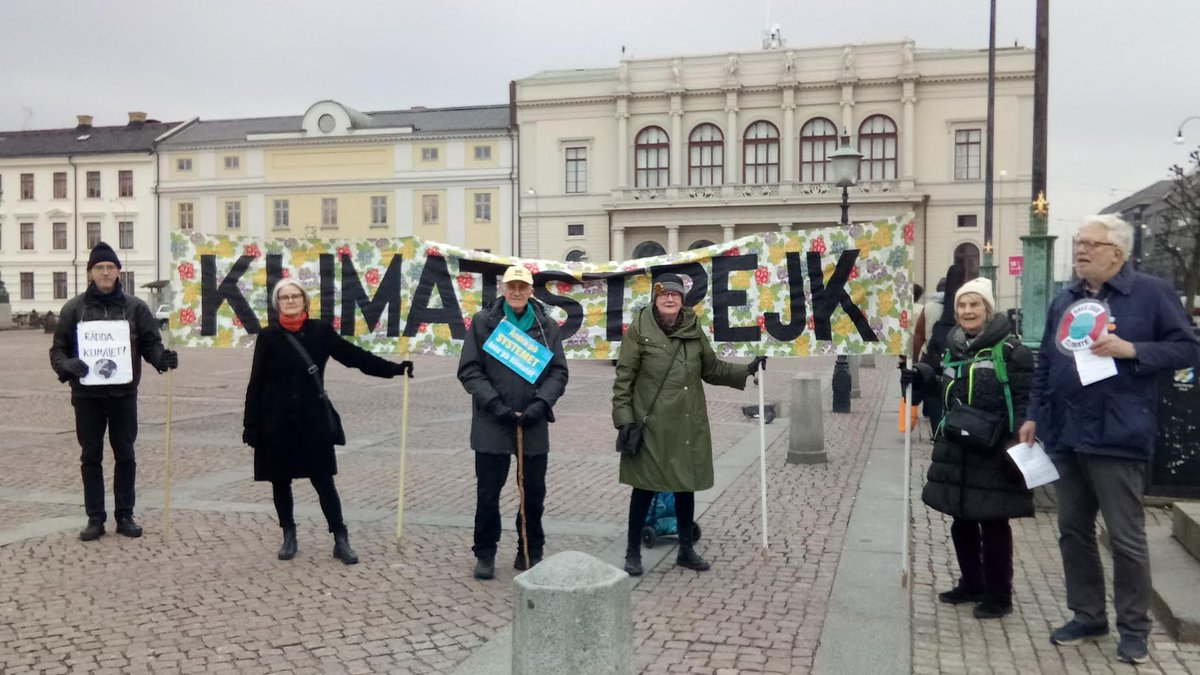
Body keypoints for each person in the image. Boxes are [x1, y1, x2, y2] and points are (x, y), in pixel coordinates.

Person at [1019, 215, 1200, 664]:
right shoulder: (1065, 298)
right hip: (1066, 433)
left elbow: (1189, 348)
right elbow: (1046, 361)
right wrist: (1033, 416)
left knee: (1125, 537)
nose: (1080, 250)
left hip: (1118, 434)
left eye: (1090, 244)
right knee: (1072, 531)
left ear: (1117, 252)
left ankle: (1134, 628)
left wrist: (1133, 350)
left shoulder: (1151, 294)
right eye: (1078, 243)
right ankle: (1087, 614)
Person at [242, 279, 413, 565]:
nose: (291, 301)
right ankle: (289, 534)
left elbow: (354, 357)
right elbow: (255, 383)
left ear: (305, 300)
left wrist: (394, 369)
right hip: (276, 421)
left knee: (323, 481)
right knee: (280, 482)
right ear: (277, 304)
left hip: (312, 420)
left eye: (296, 296)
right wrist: (251, 424)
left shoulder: (320, 331)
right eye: (284, 297)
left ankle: (340, 537)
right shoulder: (268, 336)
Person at [612, 273, 765, 576]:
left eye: (676, 295)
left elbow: (711, 369)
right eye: (663, 295)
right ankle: (632, 552)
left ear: (683, 300)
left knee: (685, 487)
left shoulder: (694, 330)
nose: (670, 299)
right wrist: (624, 421)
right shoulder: (639, 331)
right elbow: (623, 381)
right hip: (650, 426)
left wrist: (746, 370)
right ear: (654, 299)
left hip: (686, 422)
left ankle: (685, 549)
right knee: (643, 488)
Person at [907, 277, 1034, 619]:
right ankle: (972, 583)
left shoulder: (1012, 351)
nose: (967, 311)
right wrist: (923, 375)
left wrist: (1017, 438)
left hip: (994, 449)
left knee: (992, 524)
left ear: (988, 308)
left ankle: (999, 595)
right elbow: (945, 384)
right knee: (961, 520)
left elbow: (1025, 398)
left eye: (974, 304)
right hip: (958, 446)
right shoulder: (953, 347)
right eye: (962, 305)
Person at [49, 242, 179, 541]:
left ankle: (125, 514)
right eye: (100, 268)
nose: (105, 272)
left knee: (125, 454)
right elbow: (58, 349)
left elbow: (150, 344)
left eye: (110, 267)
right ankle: (95, 517)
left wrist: (162, 359)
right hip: (87, 397)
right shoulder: (74, 309)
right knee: (90, 455)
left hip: (123, 395)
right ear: (90, 273)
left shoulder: (135, 307)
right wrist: (67, 365)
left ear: (118, 272)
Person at [458, 265, 569, 580]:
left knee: (533, 493)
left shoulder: (547, 327)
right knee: (488, 493)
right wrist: (493, 403)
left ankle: (530, 549)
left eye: (523, 287)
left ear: (531, 290)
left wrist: (541, 403)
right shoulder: (484, 323)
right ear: (504, 289)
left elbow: (559, 372)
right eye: (512, 286)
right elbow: (469, 369)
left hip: (532, 422)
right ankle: (485, 552)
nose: (517, 292)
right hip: (492, 420)